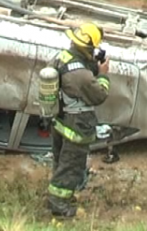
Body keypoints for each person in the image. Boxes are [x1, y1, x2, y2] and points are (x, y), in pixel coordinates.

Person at [47, 23, 111, 218]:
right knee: (71, 166)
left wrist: (92, 65)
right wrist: (104, 76)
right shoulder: (81, 76)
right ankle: (60, 206)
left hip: (60, 121)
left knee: (61, 163)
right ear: (88, 47)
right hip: (77, 126)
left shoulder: (62, 58)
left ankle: (59, 198)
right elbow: (99, 96)